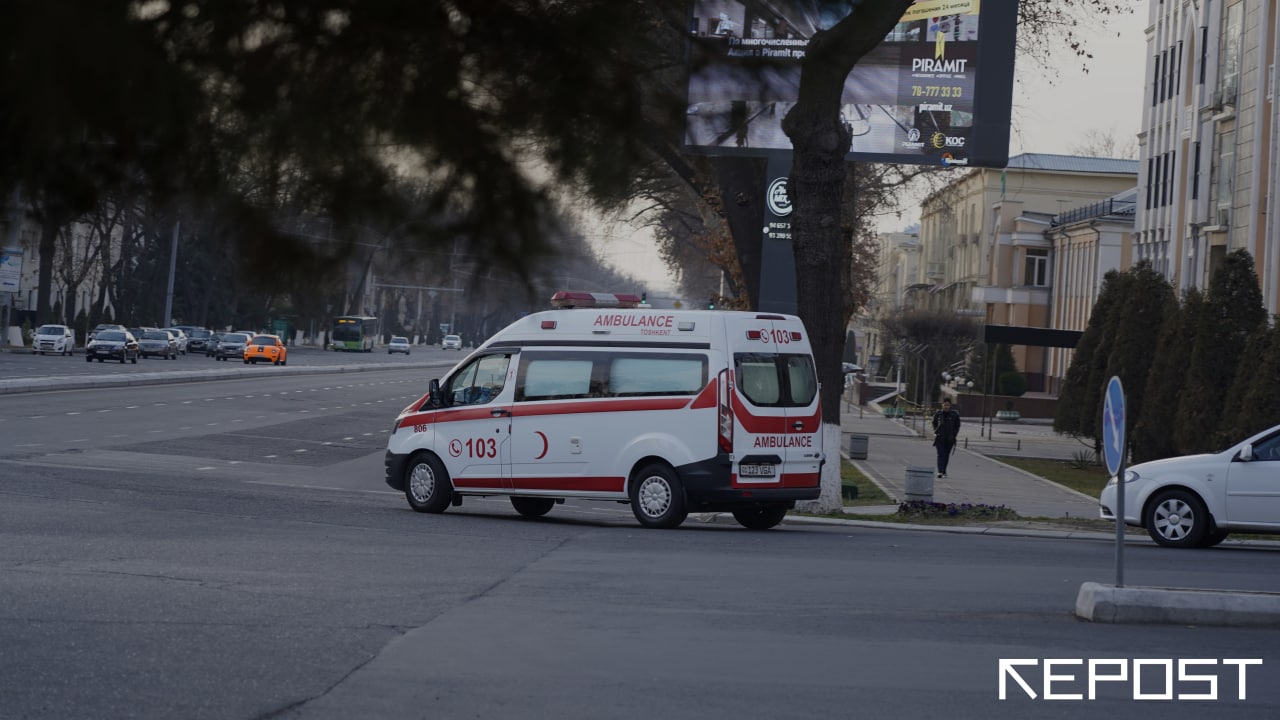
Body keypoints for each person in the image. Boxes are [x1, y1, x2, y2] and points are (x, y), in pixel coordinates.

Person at [931, 399, 961, 478]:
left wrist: (954, 434)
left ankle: (944, 471)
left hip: (950, 438)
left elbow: (957, 425)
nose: (946, 407)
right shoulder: (938, 414)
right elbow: (934, 423)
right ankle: (940, 471)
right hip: (940, 437)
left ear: (950, 405)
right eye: (945, 405)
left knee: (946, 455)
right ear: (942, 405)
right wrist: (935, 431)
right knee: (940, 454)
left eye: (947, 405)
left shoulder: (954, 415)